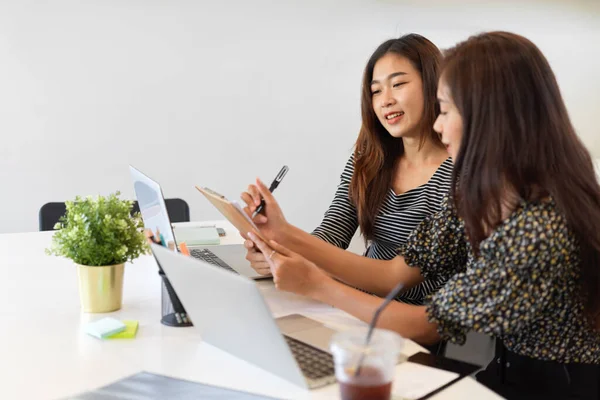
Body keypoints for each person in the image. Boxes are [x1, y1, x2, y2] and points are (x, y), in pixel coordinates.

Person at [246, 31, 600, 399]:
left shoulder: (534, 228)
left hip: (554, 385)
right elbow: (396, 272)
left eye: (445, 109)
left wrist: (317, 283)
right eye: (376, 90)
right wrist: (283, 237)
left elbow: (424, 325)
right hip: (505, 370)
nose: (437, 124)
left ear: (489, 115)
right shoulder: (484, 193)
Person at [243, 34, 452, 352]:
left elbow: (395, 278)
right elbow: (334, 229)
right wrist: (277, 250)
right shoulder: (370, 154)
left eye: (398, 84)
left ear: (434, 84)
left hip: (407, 326)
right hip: (350, 306)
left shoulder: (458, 174)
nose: (385, 101)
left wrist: (289, 240)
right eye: (375, 91)